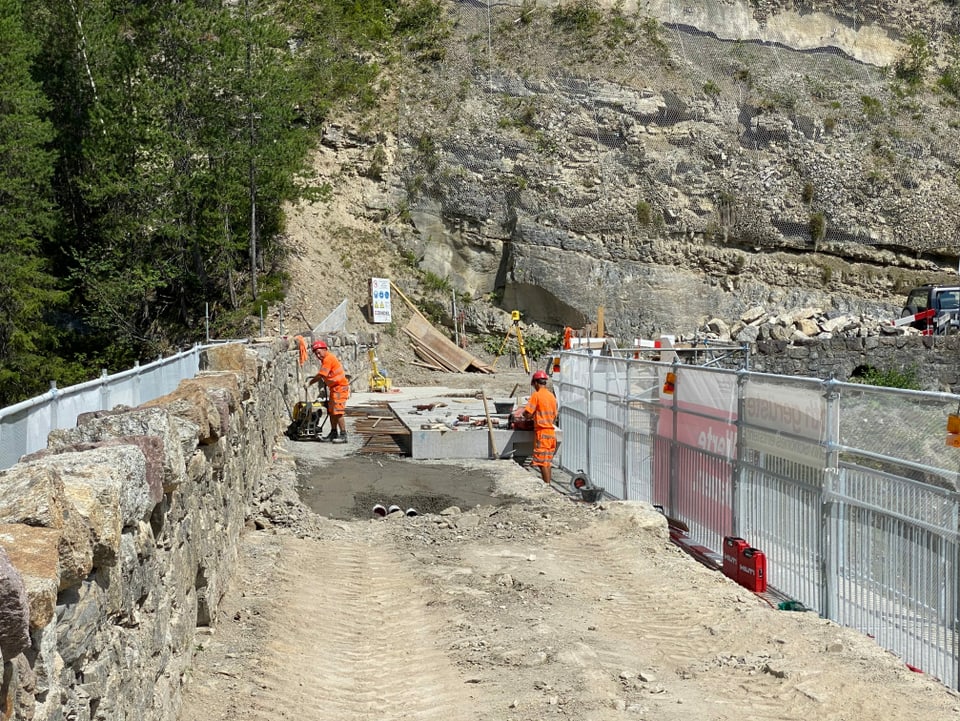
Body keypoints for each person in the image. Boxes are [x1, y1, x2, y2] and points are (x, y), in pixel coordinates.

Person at [516, 370, 558, 484]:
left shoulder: (537, 395)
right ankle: (548, 485)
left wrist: (524, 414)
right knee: (547, 462)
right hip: (551, 434)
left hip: (542, 433)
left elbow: (528, 414)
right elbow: (554, 416)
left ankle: (546, 486)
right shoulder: (552, 397)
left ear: (535, 383)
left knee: (541, 463)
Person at [305, 339, 351, 443]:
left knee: (338, 412)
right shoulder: (325, 359)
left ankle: (343, 435)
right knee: (331, 412)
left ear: (325, 349)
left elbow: (322, 375)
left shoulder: (328, 359)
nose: (318, 355)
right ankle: (333, 432)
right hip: (334, 389)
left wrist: (310, 383)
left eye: (319, 352)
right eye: (316, 354)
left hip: (340, 388)